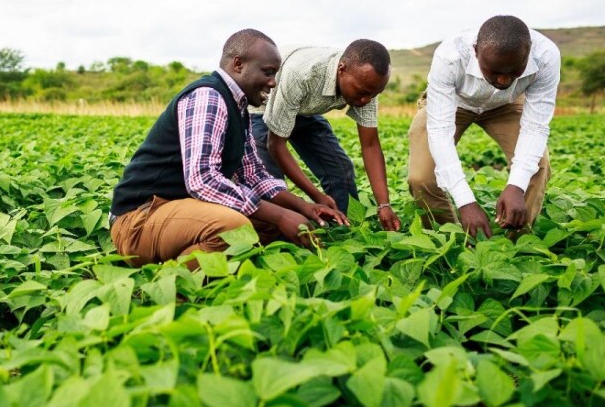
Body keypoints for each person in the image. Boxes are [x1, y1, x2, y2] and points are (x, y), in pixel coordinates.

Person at [109, 29, 347, 269]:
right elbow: (203, 180)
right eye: (267, 72)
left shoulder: (238, 107)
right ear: (238, 64)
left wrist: (303, 207)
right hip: (139, 220)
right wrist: (281, 215)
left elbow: (253, 175)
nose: (273, 82)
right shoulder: (208, 97)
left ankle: (209, 266)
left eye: (275, 74)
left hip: (178, 213)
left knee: (272, 224)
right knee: (235, 227)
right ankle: (172, 283)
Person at [408, 15, 561, 238]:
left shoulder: (545, 56)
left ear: (528, 54)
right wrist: (465, 202)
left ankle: (515, 244)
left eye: (514, 71)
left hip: (506, 103)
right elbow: (440, 132)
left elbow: (535, 128)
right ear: (475, 51)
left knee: (538, 165)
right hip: (454, 102)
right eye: (494, 71)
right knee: (421, 176)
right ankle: (448, 239)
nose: (503, 81)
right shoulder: (449, 56)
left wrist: (516, 186)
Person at [249, 41, 401, 231]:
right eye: (362, 92)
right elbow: (275, 146)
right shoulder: (302, 74)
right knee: (271, 184)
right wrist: (317, 196)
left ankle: (343, 229)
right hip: (263, 109)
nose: (366, 100)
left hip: (305, 110)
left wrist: (384, 205)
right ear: (342, 70)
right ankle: (283, 234)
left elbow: (370, 145)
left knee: (339, 169)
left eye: (374, 94)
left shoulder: (367, 85)